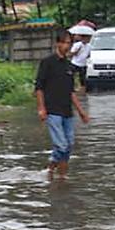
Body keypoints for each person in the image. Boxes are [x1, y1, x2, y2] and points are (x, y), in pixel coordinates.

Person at [35, 29, 91, 178]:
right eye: (65, 42)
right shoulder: (47, 63)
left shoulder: (69, 66)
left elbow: (71, 91)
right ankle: (56, 173)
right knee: (62, 145)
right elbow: (39, 87)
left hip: (67, 111)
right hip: (52, 110)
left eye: (70, 43)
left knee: (69, 145)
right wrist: (41, 108)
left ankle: (59, 175)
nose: (68, 46)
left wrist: (81, 112)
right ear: (57, 43)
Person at [68, 24, 95, 91]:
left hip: (83, 64)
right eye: (87, 38)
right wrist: (77, 51)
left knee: (83, 78)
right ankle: (72, 88)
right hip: (75, 63)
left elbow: (89, 55)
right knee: (71, 76)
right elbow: (71, 54)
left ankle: (83, 90)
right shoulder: (77, 45)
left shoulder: (89, 46)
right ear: (83, 38)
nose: (88, 40)